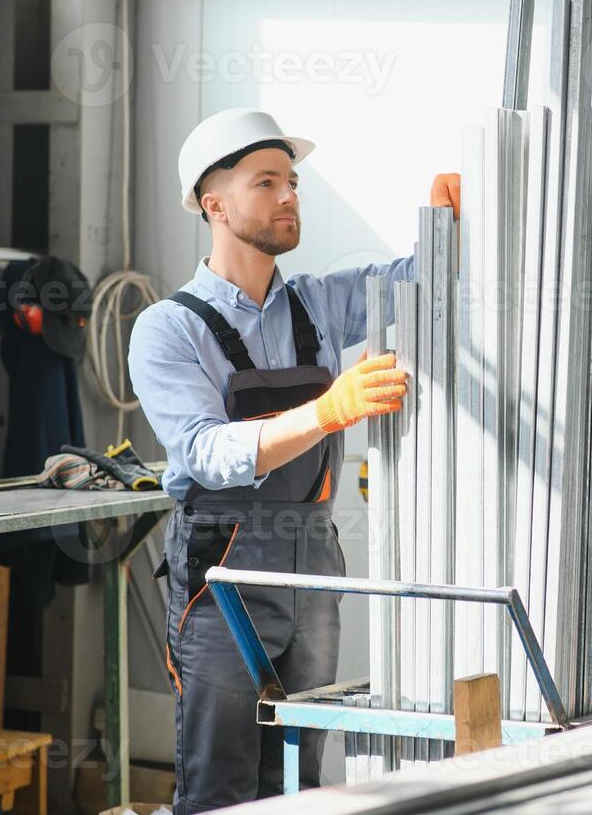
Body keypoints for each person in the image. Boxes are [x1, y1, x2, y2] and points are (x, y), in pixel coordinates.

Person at [128, 107, 453, 812]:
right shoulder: (168, 328)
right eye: (266, 182)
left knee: (302, 765)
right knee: (220, 773)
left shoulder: (316, 304)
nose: (288, 197)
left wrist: (445, 226)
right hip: (223, 568)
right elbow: (207, 454)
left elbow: (418, 278)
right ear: (214, 205)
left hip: (313, 555)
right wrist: (329, 410)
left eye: (293, 182)